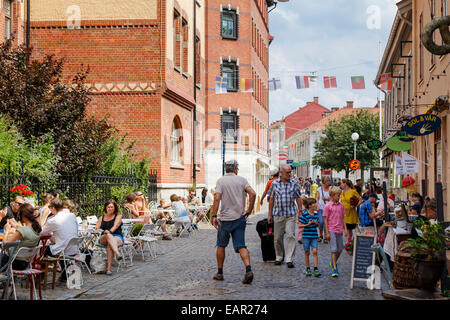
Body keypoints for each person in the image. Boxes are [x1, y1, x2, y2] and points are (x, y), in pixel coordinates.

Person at [210, 160, 256, 284]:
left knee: (221, 245)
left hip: (225, 220)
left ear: (226, 169)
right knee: (241, 245)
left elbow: (217, 198)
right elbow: (252, 193)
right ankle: (248, 270)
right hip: (239, 218)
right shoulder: (242, 180)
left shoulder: (221, 181)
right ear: (236, 169)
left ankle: (220, 273)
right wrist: (249, 210)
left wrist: (214, 215)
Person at [268, 164, 303, 268]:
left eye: (290, 172)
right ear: (281, 173)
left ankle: (289, 259)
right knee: (277, 238)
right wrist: (269, 214)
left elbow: (298, 197)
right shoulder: (274, 184)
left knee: (290, 235)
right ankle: (279, 257)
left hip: (290, 214)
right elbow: (271, 199)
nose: (289, 174)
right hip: (278, 214)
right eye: (287, 172)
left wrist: (300, 211)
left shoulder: (294, 183)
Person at [41, 198, 79, 281]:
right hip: (73, 249)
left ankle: (41, 276)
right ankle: (64, 275)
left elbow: (41, 232)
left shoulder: (54, 220)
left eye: (50, 208)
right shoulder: (72, 216)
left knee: (42, 251)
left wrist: (45, 219)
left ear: (53, 208)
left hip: (63, 249)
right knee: (60, 247)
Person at [0, 203, 41, 270]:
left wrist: (6, 231)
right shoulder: (38, 229)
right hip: (25, 263)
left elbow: (5, 245)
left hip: (12, 263)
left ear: (22, 215)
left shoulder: (23, 231)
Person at [323, 186, 347, 278]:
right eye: (338, 195)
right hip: (331, 229)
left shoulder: (341, 206)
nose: (339, 197)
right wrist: (326, 233)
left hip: (339, 229)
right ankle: (334, 268)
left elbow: (343, 218)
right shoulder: (327, 206)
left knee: (340, 249)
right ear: (332, 196)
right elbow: (325, 220)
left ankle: (333, 262)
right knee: (334, 249)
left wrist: (345, 229)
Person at [95, 199, 124, 275]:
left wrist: (110, 232)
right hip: (104, 237)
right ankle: (117, 253)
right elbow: (96, 228)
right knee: (108, 235)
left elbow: (116, 226)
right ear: (105, 208)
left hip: (117, 236)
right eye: (108, 207)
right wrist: (105, 232)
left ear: (115, 208)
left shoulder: (118, 216)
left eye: (112, 207)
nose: (110, 209)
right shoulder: (102, 217)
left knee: (110, 245)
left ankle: (108, 270)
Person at [298, 198, 321, 277]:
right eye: (314, 203)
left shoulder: (316, 214)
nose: (315, 205)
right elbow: (299, 225)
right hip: (306, 236)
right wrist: (307, 224)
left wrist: (316, 223)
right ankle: (308, 268)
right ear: (309, 205)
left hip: (314, 236)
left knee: (315, 251)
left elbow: (317, 225)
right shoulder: (305, 215)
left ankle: (315, 268)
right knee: (307, 252)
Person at [316, 176, 331, 243]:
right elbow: (317, 198)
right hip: (321, 208)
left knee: (326, 223)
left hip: (329, 209)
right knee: (321, 222)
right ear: (324, 182)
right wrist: (316, 206)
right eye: (327, 181)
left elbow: (333, 198)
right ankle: (320, 234)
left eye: (329, 181)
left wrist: (327, 199)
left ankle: (325, 236)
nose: (329, 182)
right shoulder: (319, 189)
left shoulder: (331, 189)